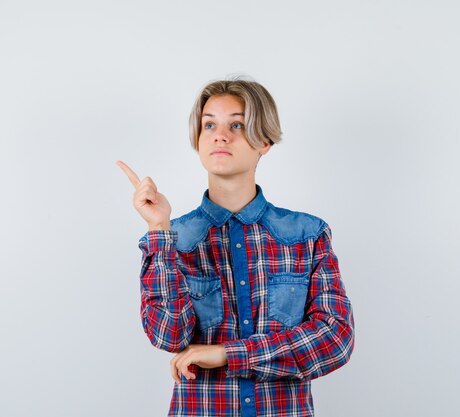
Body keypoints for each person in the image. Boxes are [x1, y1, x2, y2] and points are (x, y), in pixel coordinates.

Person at [116, 78, 354, 417]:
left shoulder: (308, 234)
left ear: (265, 141)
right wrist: (158, 228)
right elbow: (168, 335)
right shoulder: (175, 238)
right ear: (198, 141)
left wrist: (229, 353)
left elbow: (335, 339)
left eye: (237, 124)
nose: (220, 135)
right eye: (209, 124)